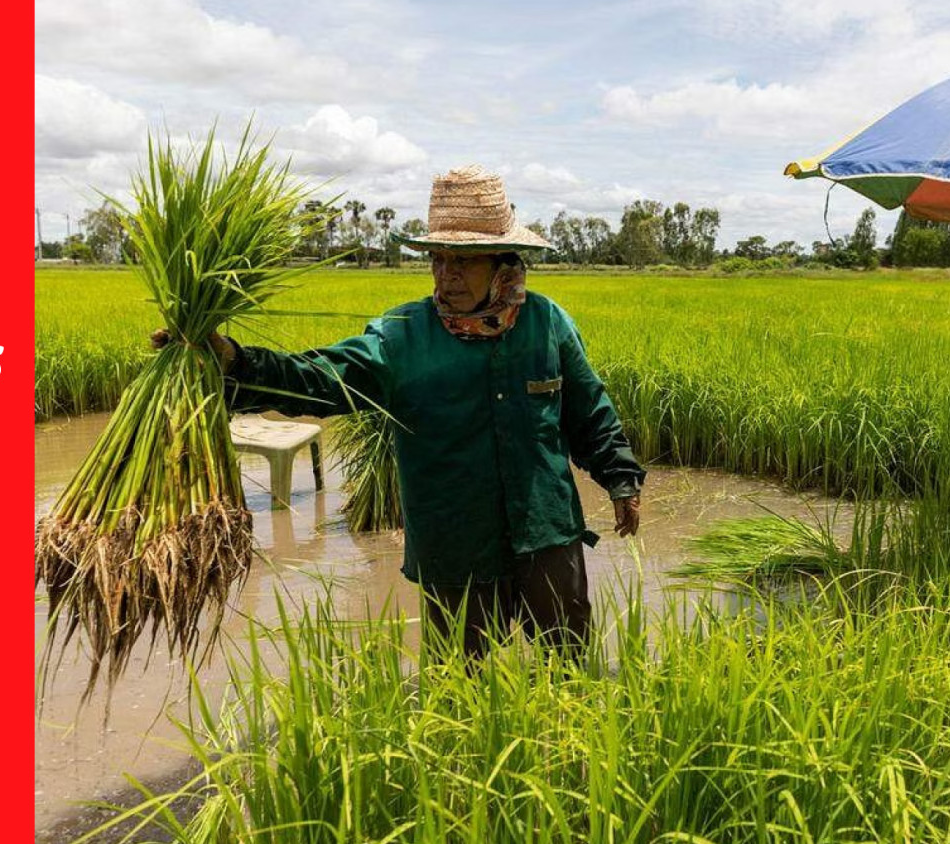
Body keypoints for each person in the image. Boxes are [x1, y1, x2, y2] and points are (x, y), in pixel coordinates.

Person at [175, 165, 645, 662]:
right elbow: (318, 378)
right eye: (439, 260)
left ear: (503, 261)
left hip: (546, 533)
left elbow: (588, 409)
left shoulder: (546, 323)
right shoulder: (401, 335)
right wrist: (232, 363)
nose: (447, 275)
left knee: (569, 660)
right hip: (455, 543)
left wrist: (621, 478)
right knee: (460, 682)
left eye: (463, 261)